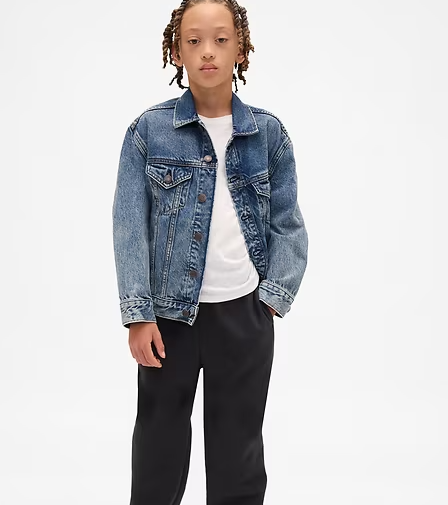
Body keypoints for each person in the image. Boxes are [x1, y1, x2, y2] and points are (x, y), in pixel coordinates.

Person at [112, 1, 308, 503]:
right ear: (176, 52)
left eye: (221, 39)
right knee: (158, 446)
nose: (207, 52)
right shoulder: (147, 131)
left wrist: (271, 301)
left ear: (240, 48)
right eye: (194, 40)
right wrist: (139, 314)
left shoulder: (268, 134)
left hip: (244, 314)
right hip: (168, 320)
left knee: (237, 451)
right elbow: (129, 228)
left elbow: (287, 224)